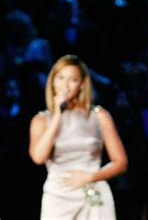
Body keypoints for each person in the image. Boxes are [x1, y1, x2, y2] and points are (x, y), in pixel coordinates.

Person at [29, 54, 128, 219]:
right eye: (60, 78)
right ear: (52, 81)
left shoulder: (99, 116)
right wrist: (57, 115)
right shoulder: (41, 120)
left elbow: (121, 162)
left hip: (93, 193)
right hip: (58, 197)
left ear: (82, 84)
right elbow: (39, 157)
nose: (65, 85)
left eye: (72, 79)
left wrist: (90, 177)